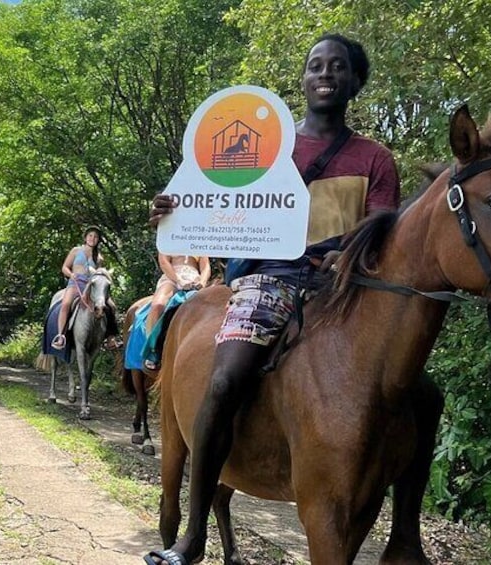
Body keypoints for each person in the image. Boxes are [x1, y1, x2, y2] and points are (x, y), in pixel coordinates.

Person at [143, 34, 400, 565]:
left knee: (421, 392)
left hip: (344, 291)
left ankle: (407, 540)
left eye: (337, 67)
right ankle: (194, 534)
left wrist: (342, 258)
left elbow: (383, 232)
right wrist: (175, 210)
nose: (324, 74)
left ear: (355, 81)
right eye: (314, 66)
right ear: (303, 80)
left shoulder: (375, 158)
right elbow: (213, 202)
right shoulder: (267, 150)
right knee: (225, 376)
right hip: (269, 281)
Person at [51, 226, 121, 351]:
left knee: (111, 306)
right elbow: (65, 267)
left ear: (98, 240)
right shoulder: (76, 251)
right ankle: (61, 335)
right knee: (66, 304)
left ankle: (110, 337)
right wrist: (71, 274)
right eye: (90, 236)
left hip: (90, 286)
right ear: (85, 237)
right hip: (75, 284)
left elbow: (99, 274)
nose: (92, 239)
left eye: (95, 237)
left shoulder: (99, 257)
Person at [143, 253, 211, 370]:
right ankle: (153, 349)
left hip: (194, 279)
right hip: (172, 278)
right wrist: (179, 280)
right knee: (157, 306)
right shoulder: (170, 239)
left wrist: (202, 282)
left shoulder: (199, 239)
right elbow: (164, 262)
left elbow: (205, 266)